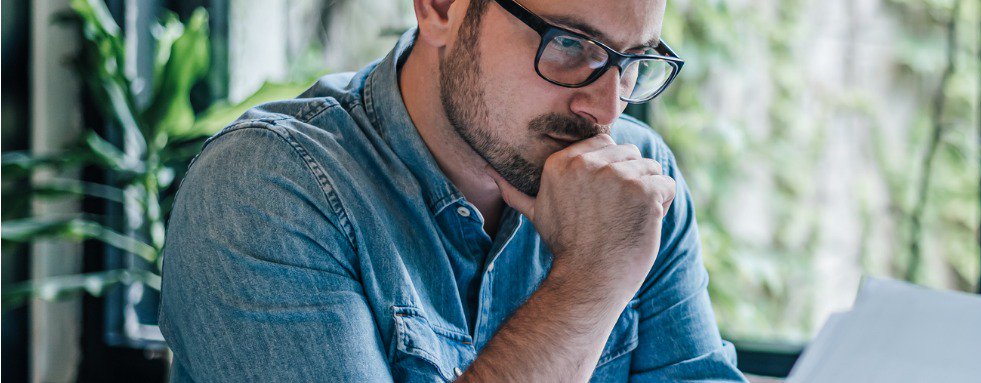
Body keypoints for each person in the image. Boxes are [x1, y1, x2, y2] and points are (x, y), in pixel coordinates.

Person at [158, 0, 744, 381]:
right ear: (440, 8)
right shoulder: (266, 189)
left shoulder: (639, 182)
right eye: (568, 44)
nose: (605, 108)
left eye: (634, 61)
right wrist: (589, 282)